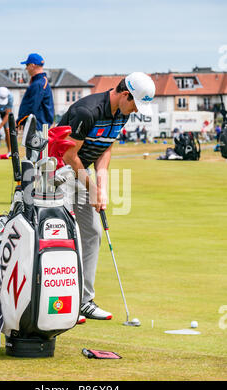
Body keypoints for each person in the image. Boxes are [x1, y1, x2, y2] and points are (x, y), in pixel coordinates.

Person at [58, 72, 155, 323]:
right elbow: (69, 155)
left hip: (81, 171)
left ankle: (83, 302)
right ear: (125, 95)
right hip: (54, 171)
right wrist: (91, 187)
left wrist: (101, 183)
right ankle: (60, 302)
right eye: (134, 104)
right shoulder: (87, 111)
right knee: (65, 233)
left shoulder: (121, 114)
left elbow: (106, 146)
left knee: (92, 232)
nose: (134, 111)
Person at [16, 53, 54, 130]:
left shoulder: (38, 84)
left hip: (37, 127)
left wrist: (19, 121)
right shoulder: (41, 81)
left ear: (33, 65)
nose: (26, 68)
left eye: (27, 65)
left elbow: (31, 107)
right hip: (40, 126)